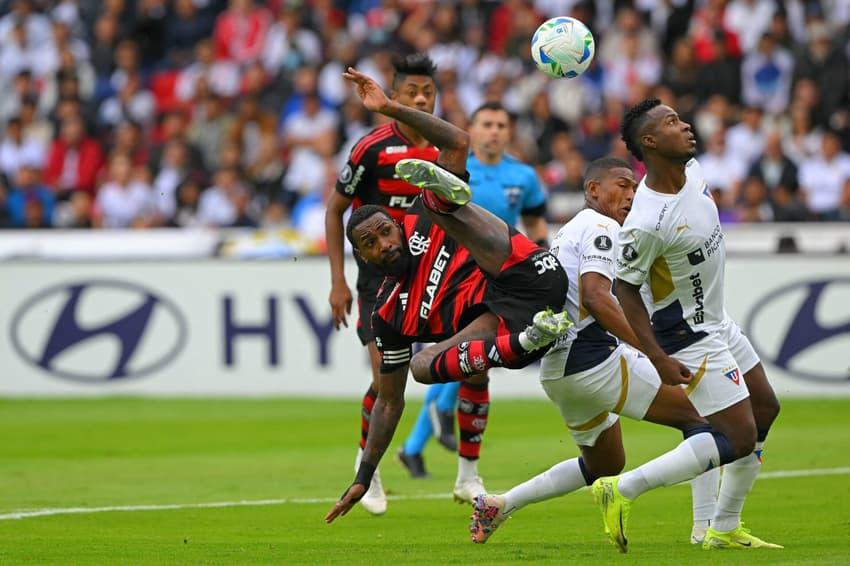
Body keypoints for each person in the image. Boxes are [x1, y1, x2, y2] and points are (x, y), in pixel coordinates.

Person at [324, 67, 572, 524]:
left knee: (444, 210)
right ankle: (527, 342)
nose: (384, 244)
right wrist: (364, 473)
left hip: (527, 273)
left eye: (385, 232)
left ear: (396, 225)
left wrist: (388, 107)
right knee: (417, 368)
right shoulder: (388, 314)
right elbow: (390, 401)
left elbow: (458, 142)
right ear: (361, 255)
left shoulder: (417, 220)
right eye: (370, 244)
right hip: (509, 327)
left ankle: (449, 193)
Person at [468, 157, 715, 544]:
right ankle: (708, 529)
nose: (631, 194)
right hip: (592, 360)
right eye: (622, 184)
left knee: (605, 463)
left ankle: (500, 504)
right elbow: (597, 299)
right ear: (593, 190)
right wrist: (654, 353)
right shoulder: (602, 226)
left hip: (560, 372)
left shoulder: (568, 230)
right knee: (708, 420)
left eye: (634, 188)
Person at [591, 98, 781, 551]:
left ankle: (723, 527)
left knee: (766, 409)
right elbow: (625, 289)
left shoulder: (692, 172)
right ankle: (623, 488)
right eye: (673, 123)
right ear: (651, 142)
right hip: (687, 336)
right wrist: (657, 357)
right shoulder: (647, 222)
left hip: (717, 321)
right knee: (737, 436)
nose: (687, 126)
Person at [397, 101, 549, 480]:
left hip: (500, 274)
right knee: (468, 354)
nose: (494, 130)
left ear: (509, 131)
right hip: (453, 274)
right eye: (487, 124)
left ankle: (415, 446)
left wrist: (543, 252)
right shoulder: (456, 169)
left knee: (468, 355)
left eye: (501, 124)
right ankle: (435, 425)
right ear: (473, 128)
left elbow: (534, 219)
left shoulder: (524, 176)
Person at [325, 53, 442, 515]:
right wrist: (338, 280)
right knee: (384, 377)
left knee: (470, 367)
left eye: (427, 92)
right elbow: (335, 209)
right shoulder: (370, 148)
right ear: (394, 95)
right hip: (378, 280)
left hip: (433, 272)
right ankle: (367, 465)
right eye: (411, 91)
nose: (419, 98)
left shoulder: (444, 145)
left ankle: (466, 471)